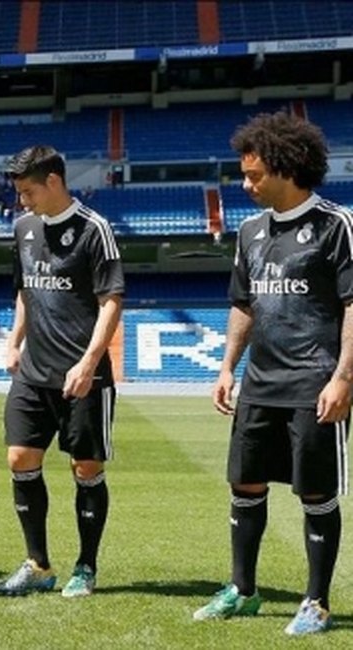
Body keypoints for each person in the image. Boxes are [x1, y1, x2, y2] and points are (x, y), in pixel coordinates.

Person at [194, 112, 352, 636]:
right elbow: (243, 304)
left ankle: (317, 601)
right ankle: (243, 591)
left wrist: (344, 378)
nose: (246, 184)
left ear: (287, 168)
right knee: (244, 481)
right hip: (260, 382)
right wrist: (226, 366)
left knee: (314, 492)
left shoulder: (337, 226)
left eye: (254, 174)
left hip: (316, 383)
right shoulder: (250, 231)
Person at [0, 145, 124, 598]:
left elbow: (112, 299)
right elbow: (26, 291)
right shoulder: (23, 229)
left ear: (54, 182)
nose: (22, 201)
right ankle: (38, 564)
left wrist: (89, 362)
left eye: (28, 191)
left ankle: (85, 567)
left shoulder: (95, 230)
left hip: (84, 375)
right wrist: (14, 342)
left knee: (85, 467)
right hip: (34, 371)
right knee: (19, 459)